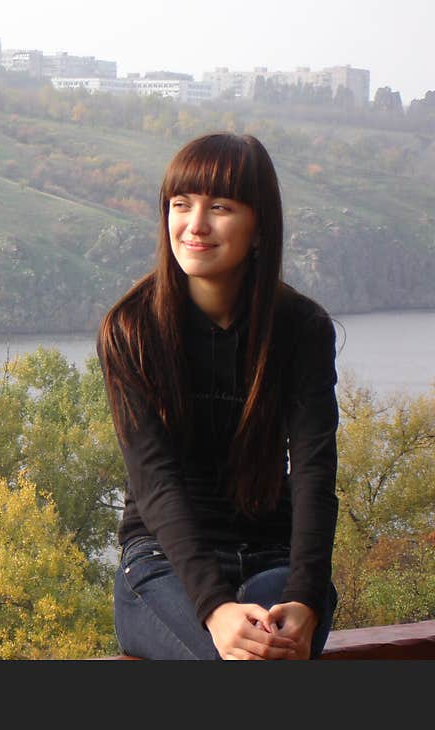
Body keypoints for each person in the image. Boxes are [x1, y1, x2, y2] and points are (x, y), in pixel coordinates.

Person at [97, 132, 339, 660]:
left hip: (273, 557)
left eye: (220, 207)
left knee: (271, 650)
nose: (195, 224)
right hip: (162, 563)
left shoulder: (301, 329)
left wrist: (306, 596)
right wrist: (214, 606)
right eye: (181, 204)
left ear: (258, 227)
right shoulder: (131, 329)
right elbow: (154, 481)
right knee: (236, 661)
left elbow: (316, 473)